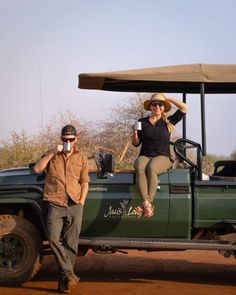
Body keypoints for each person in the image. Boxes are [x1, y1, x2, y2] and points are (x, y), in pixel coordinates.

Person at [33, 124, 90, 293]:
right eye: (65, 139)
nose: (68, 142)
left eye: (71, 139)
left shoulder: (82, 158)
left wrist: (81, 202)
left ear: (76, 139)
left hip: (74, 203)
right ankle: (69, 272)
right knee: (52, 238)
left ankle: (64, 280)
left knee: (71, 244)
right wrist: (52, 152)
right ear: (61, 139)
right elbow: (37, 168)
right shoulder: (52, 155)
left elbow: (85, 182)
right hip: (55, 202)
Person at [132, 93, 188, 218]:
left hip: (163, 157)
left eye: (160, 104)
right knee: (140, 166)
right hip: (145, 155)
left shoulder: (168, 121)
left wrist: (168, 99)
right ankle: (145, 203)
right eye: (155, 104)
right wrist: (135, 134)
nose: (157, 106)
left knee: (152, 168)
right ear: (150, 107)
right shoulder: (142, 122)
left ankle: (148, 202)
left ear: (164, 107)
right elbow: (136, 144)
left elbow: (184, 108)